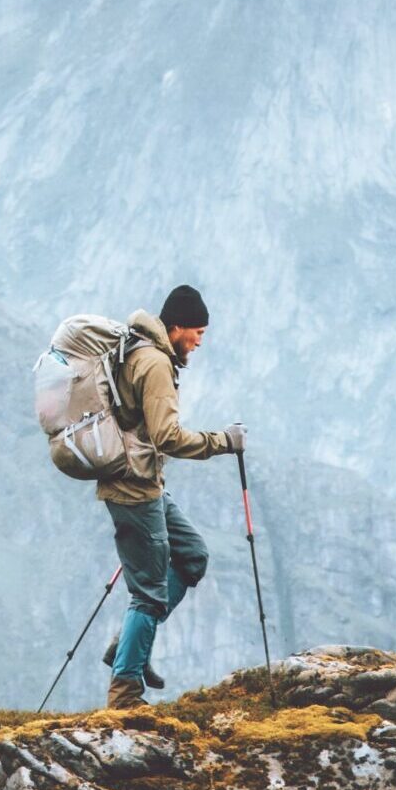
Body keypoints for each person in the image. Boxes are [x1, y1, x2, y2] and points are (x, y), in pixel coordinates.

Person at [98, 284, 245, 709]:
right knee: (148, 593)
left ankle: (128, 643)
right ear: (176, 326)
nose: (200, 340)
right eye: (197, 331)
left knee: (192, 556)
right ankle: (124, 691)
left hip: (145, 485)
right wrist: (224, 442)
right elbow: (167, 436)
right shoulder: (155, 363)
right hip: (133, 490)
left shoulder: (142, 351)